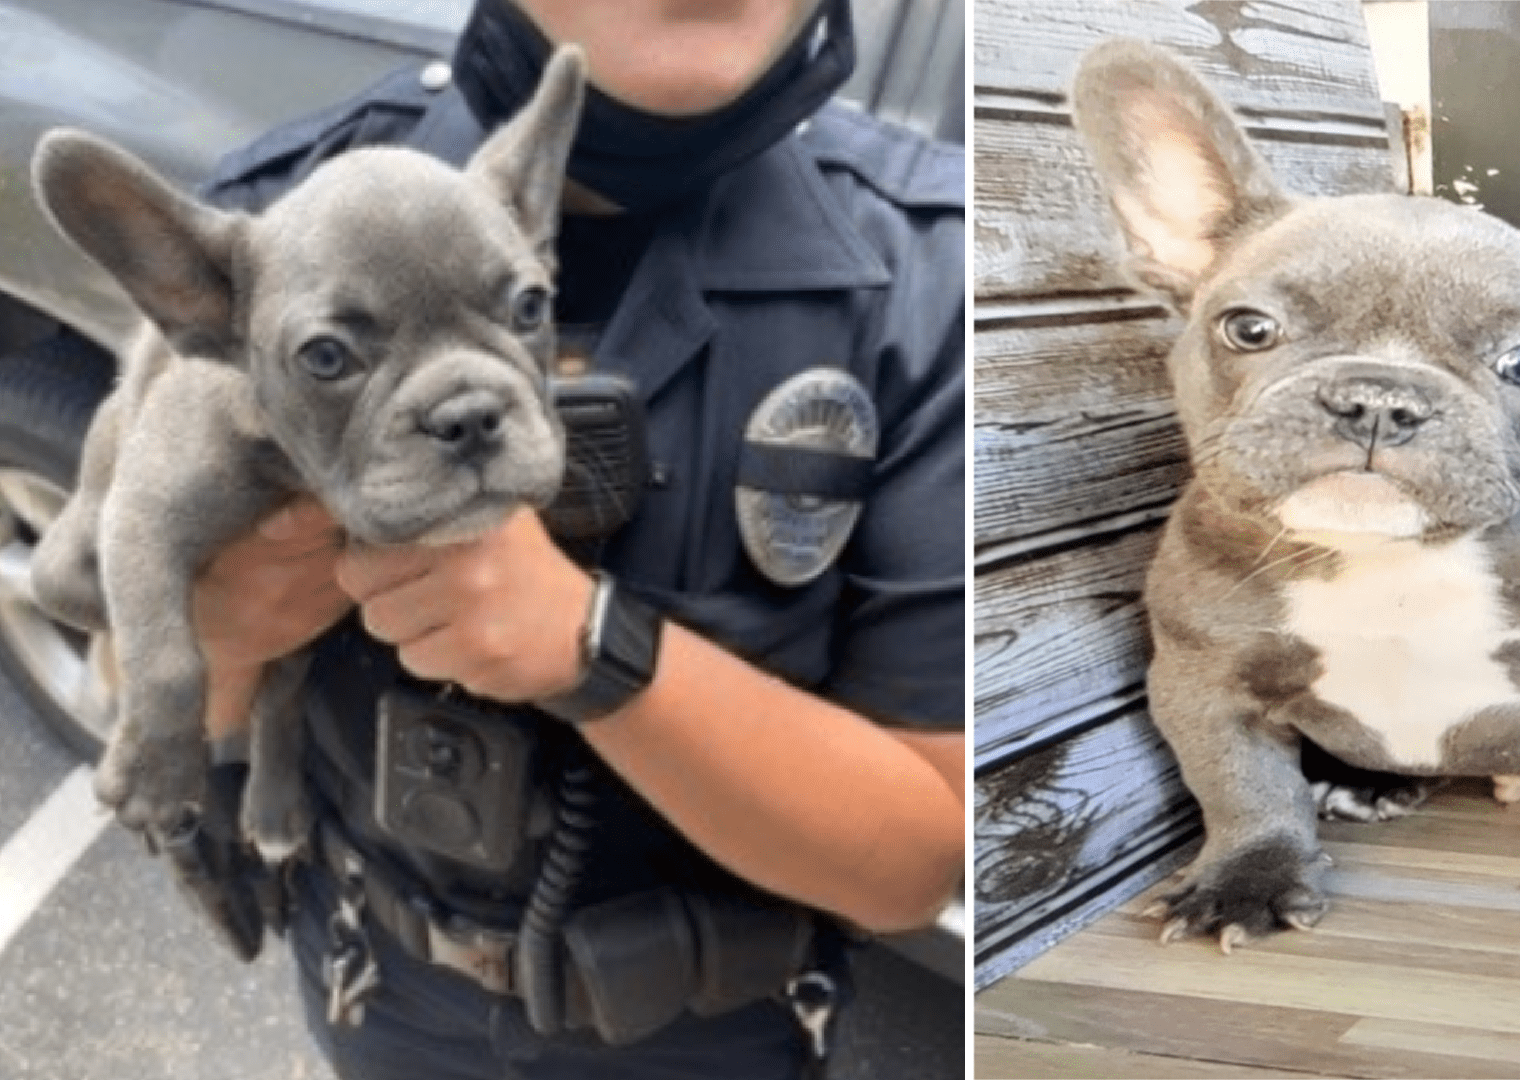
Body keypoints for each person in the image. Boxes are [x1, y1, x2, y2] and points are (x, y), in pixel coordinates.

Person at [179, 0, 965, 1075]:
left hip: (711, 1035)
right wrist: (218, 633)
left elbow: (917, 864)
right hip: (375, 988)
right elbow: (135, 683)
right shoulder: (268, 234)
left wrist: (590, 648)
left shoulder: (937, 289)